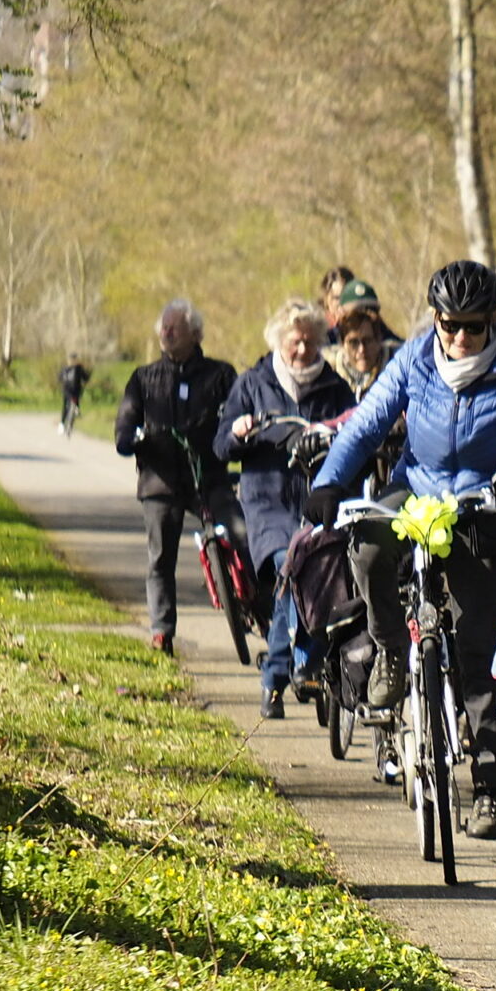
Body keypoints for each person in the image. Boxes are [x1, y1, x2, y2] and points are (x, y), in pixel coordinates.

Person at [303, 261, 496, 840]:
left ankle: (489, 788)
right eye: (450, 326)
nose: (460, 339)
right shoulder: (414, 357)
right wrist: (330, 482)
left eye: (473, 327)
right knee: (364, 545)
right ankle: (390, 649)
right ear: (434, 319)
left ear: (493, 321)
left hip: (484, 502)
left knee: (479, 654)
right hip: (417, 487)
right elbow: (366, 425)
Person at [214, 299, 356, 718]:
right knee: (289, 568)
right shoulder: (253, 383)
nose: (303, 351)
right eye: (296, 342)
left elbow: (356, 430)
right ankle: (287, 670)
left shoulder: (334, 387)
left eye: (311, 343)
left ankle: (288, 672)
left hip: (318, 503)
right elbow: (221, 445)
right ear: (279, 340)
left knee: (321, 573)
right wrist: (241, 433)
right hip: (267, 504)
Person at [112, 299, 243, 655]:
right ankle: (162, 630)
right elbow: (125, 426)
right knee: (160, 557)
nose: (167, 332)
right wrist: (133, 438)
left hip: (209, 478)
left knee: (241, 534)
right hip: (161, 481)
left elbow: (237, 414)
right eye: (163, 327)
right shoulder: (143, 378)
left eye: (175, 327)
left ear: (195, 333)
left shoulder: (220, 375)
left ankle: (251, 604)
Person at [57, 351, 89, 437]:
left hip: (70, 391)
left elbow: (59, 378)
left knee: (67, 406)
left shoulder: (70, 368)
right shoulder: (75, 368)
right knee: (67, 406)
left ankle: (63, 423)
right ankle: (64, 423)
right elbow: (86, 378)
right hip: (72, 391)